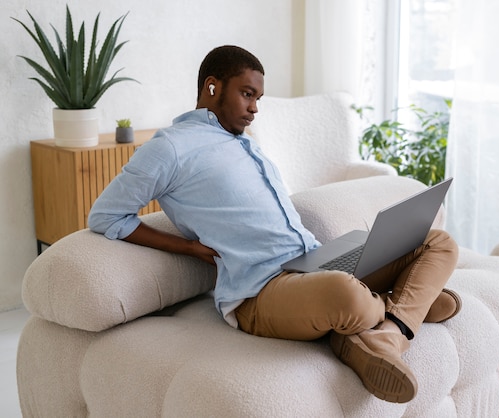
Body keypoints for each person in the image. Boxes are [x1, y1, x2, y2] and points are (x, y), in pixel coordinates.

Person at [88, 45, 460, 404]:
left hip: (312, 262)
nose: (254, 109)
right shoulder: (170, 147)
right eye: (247, 94)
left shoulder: (246, 144)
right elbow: (106, 215)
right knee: (346, 295)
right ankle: (407, 306)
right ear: (212, 87)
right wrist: (187, 247)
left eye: (258, 99)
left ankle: (386, 331)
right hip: (260, 292)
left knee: (437, 242)